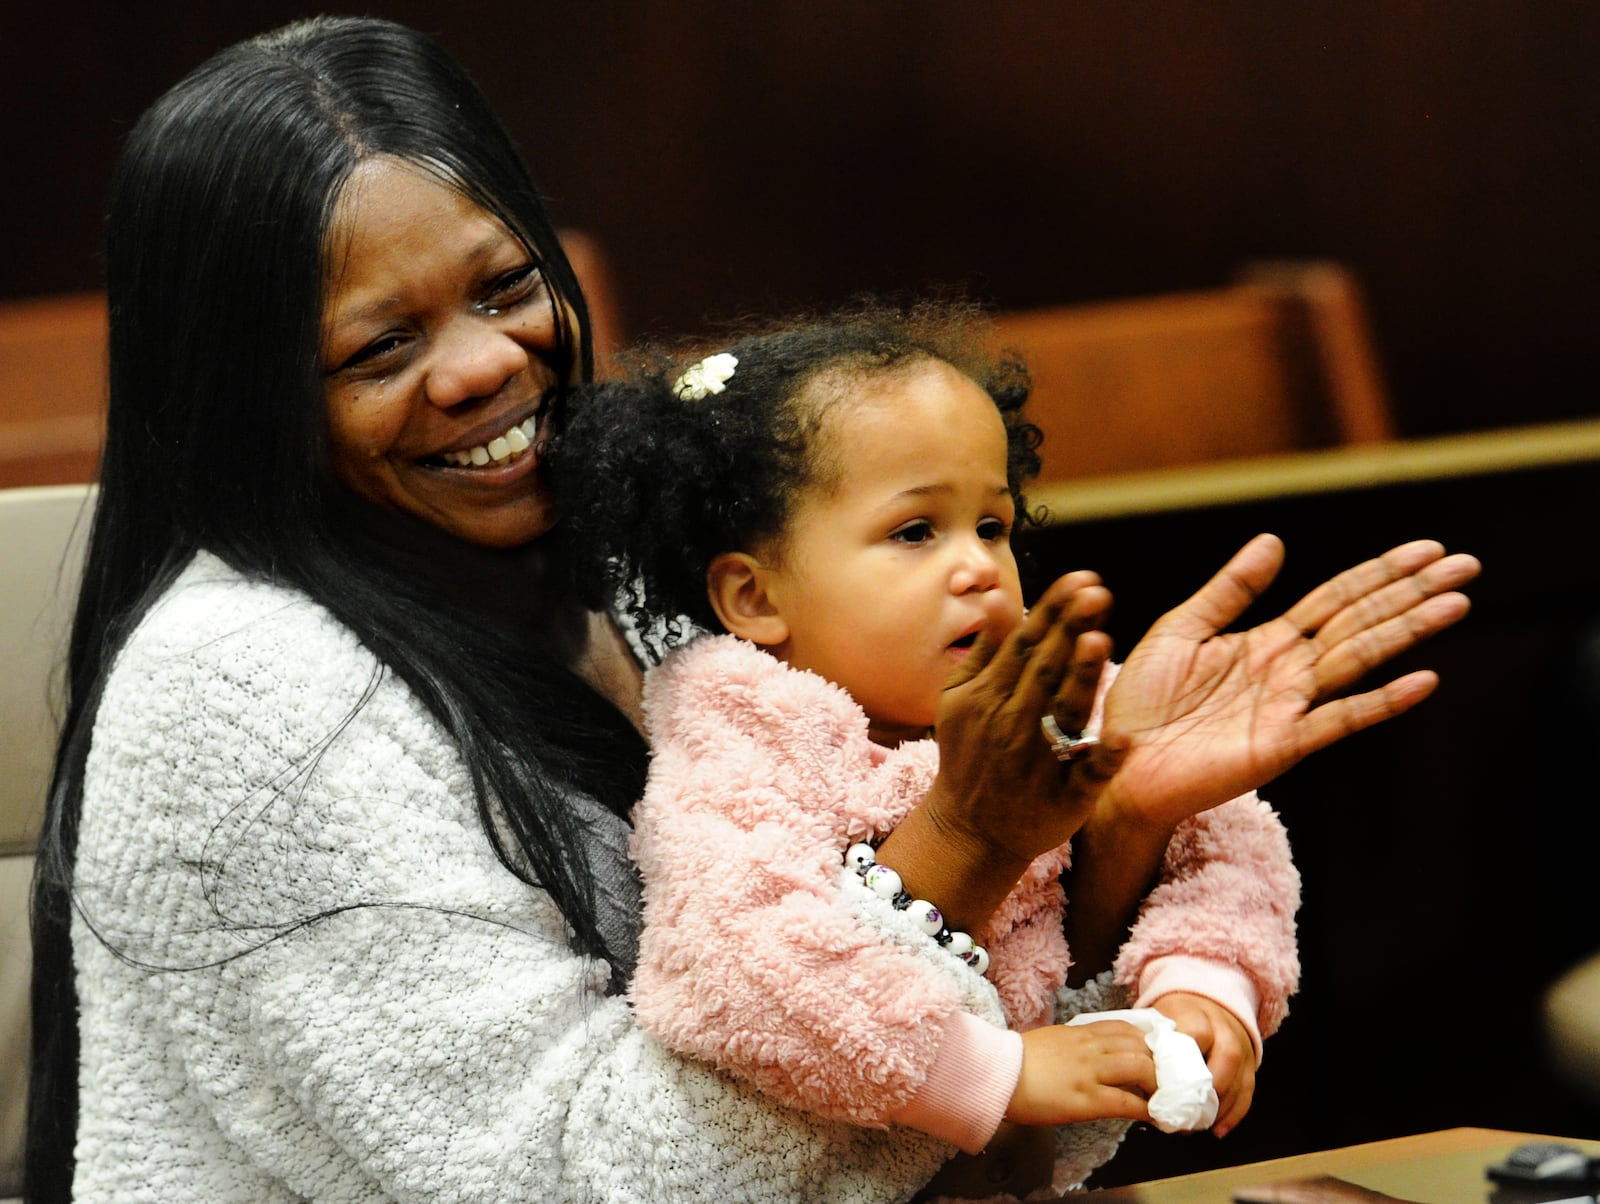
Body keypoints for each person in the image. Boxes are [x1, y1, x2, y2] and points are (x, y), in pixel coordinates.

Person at [24, 14, 1480, 1203]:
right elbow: (586, 1185)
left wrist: (1103, 837)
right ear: (245, 395)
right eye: (377, 347)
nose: (483, 368)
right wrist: (962, 849)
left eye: (507, 285)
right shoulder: (243, 685)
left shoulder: (628, 582)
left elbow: (980, 1131)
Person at [545, 304, 1467, 1194]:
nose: (979, 565)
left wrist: (1203, 988)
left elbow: (1224, 843)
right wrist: (995, 1074)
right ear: (753, 596)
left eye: (993, 524)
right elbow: (741, 974)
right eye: (915, 531)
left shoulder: (1054, 698)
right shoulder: (744, 744)